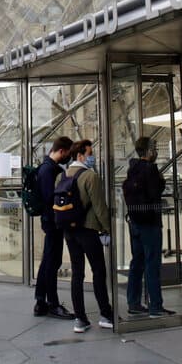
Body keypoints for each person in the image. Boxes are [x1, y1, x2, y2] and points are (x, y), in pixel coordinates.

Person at [59, 140, 113, 333]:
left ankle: (80, 319)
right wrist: (108, 228)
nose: (92, 156)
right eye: (90, 153)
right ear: (80, 155)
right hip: (88, 230)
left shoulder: (62, 175)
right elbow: (99, 207)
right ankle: (106, 314)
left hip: (69, 231)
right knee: (98, 270)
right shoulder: (91, 176)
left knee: (77, 273)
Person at [123, 136, 172, 318]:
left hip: (135, 221)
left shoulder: (132, 169)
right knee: (152, 264)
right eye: (155, 148)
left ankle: (134, 302)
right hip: (150, 223)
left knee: (137, 262)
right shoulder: (150, 169)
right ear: (149, 150)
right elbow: (154, 192)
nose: (156, 151)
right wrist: (160, 181)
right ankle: (156, 306)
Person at [33, 136, 75, 319]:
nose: (69, 157)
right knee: (52, 261)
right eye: (69, 153)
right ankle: (52, 303)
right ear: (62, 151)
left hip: (50, 220)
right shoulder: (49, 170)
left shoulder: (46, 168)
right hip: (53, 221)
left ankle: (41, 301)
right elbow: (51, 197)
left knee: (48, 260)